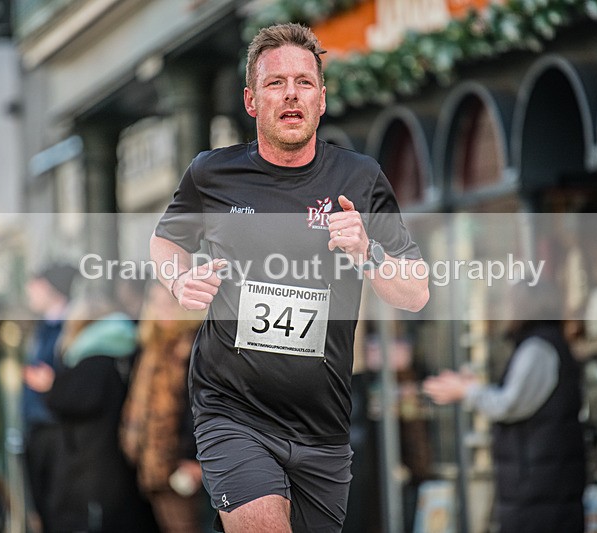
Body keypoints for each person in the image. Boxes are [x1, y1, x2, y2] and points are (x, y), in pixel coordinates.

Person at [150, 23, 429, 533]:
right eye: (275, 83)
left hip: (323, 425)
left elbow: (415, 292)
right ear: (251, 101)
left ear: (322, 99)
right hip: (232, 410)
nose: (291, 93)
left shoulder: (360, 178)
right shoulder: (212, 174)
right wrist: (178, 279)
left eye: (304, 82)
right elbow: (166, 241)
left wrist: (368, 252)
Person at [422, 283, 586, 533]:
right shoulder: (543, 344)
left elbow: (509, 404)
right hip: (542, 489)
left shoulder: (538, 348)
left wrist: (467, 391)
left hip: (539, 491)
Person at [23, 295, 159, 532]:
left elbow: (72, 402)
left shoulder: (92, 362)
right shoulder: (128, 350)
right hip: (122, 469)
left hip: (95, 474)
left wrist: (51, 387)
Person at [120, 281, 206, 533]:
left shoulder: (195, 345)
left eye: (169, 303)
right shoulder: (151, 347)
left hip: (184, 466)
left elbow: (199, 406)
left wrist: (193, 457)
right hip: (154, 465)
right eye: (155, 302)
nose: (162, 309)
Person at [21, 262, 77, 532]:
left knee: (62, 509)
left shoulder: (72, 326)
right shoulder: (42, 328)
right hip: (38, 429)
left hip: (60, 431)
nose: (29, 290)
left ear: (51, 288)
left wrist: (54, 384)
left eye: (36, 284)